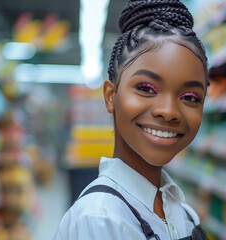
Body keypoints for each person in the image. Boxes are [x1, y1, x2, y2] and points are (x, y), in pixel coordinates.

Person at [54, 0, 209, 239]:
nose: (168, 111)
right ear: (110, 97)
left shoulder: (181, 211)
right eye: (146, 88)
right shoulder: (100, 219)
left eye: (190, 97)